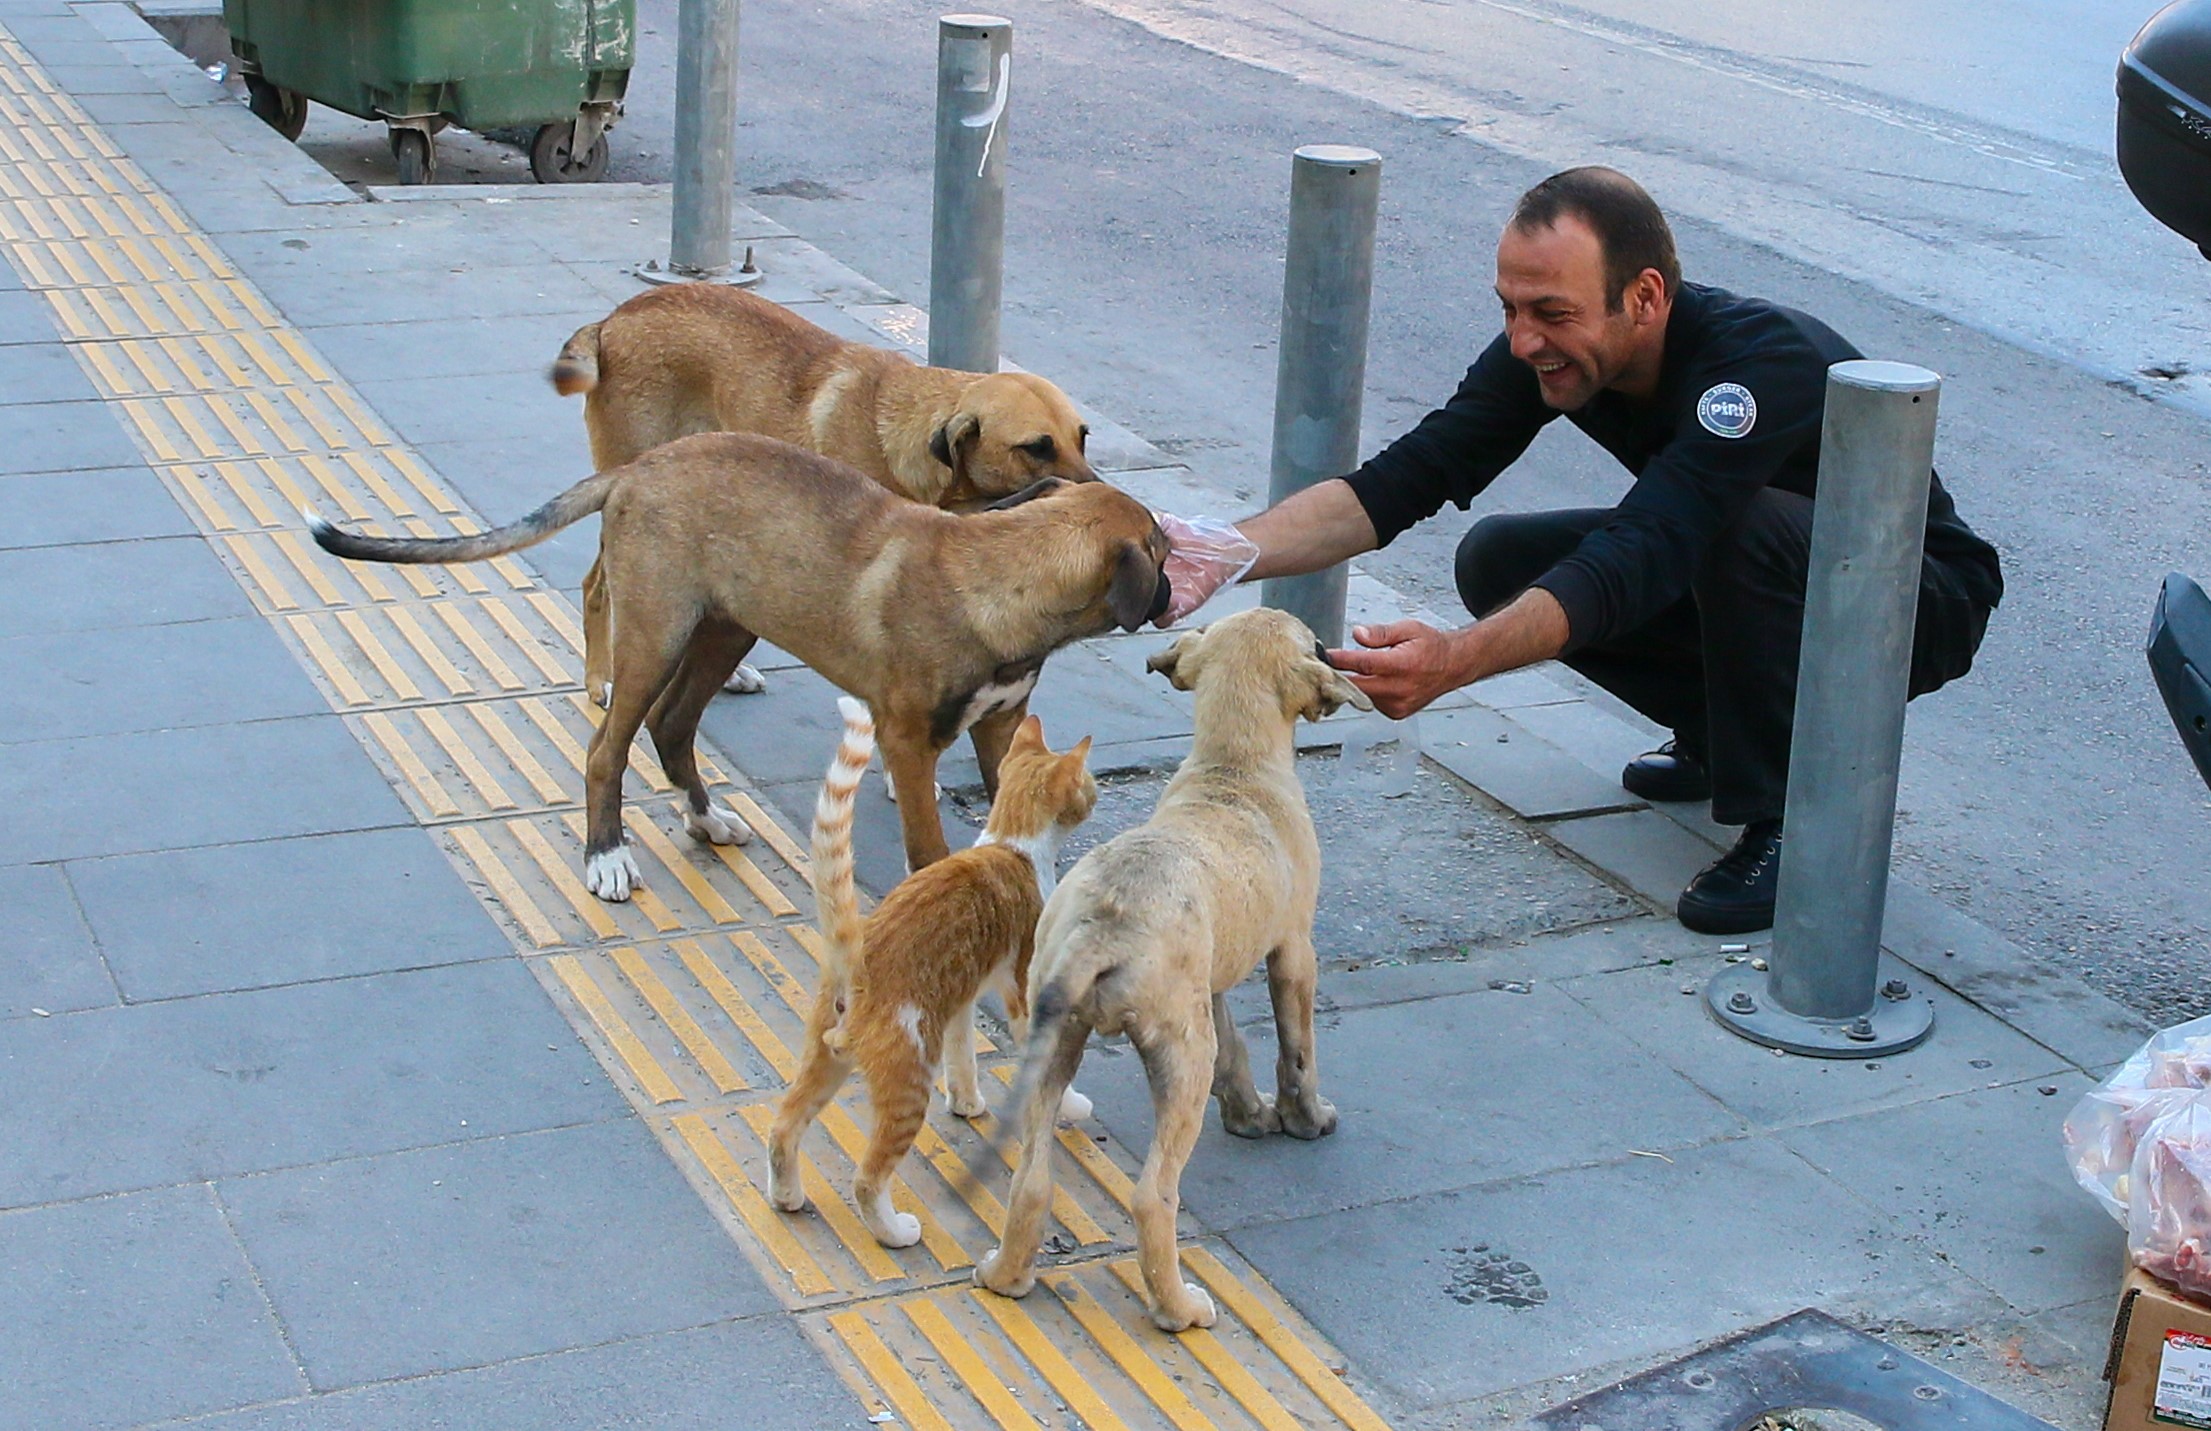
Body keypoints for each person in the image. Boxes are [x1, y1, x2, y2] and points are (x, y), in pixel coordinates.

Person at [1159, 166, 2003, 935]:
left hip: (1913, 600)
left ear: (1641, 297)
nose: (1525, 341)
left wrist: (1455, 661)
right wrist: (1222, 550)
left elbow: (1648, 546)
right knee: (1498, 560)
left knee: (1723, 530)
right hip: (1768, 572)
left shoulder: (1754, 365)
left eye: (1551, 314)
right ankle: (1718, 732)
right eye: (1509, 309)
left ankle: (1793, 819)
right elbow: (1407, 476)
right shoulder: (1551, 353)